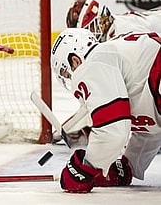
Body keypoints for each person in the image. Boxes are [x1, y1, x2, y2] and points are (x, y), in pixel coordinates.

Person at [51, 28, 161, 193]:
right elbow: (152, 126)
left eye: (66, 72)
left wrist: (86, 169)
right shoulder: (117, 58)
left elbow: (113, 130)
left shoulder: (93, 62)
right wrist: (129, 165)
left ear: (75, 60)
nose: (71, 77)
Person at [65, 0, 161, 42]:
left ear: (100, 21)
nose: (88, 35)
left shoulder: (124, 33)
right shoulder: (112, 26)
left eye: (89, 29)